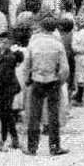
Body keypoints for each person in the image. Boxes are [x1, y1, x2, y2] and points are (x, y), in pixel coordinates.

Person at [23, 15, 70, 156]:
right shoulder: (58, 44)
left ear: (42, 27)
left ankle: (32, 147)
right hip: (53, 81)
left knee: (34, 114)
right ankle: (55, 147)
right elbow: (65, 68)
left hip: (37, 80)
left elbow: (27, 64)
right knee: (53, 115)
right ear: (54, 29)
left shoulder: (33, 43)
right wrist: (60, 81)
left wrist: (27, 79)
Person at [0, 31, 23, 151]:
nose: (2, 44)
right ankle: (14, 140)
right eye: (0, 41)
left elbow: (2, 76)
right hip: (4, 89)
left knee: (4, 115)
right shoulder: (1, 55)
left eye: (5, 42)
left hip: (6, 89)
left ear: (9, 43)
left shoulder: (8, 57)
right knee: (7, 115)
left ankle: (3, 141)